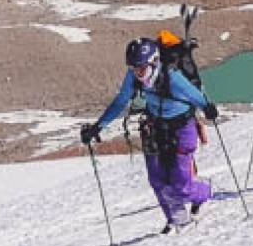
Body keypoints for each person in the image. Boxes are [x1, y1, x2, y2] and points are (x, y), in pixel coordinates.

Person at [80, 36, 218, 231]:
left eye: (140, 68)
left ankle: (204, 192)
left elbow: (196, 96)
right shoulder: (134, 78)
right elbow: (120, 102)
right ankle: (177, 220)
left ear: (154, 62)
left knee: (181, 187)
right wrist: (97, 127)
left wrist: (207, 107)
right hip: (154, 126)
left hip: (181, 127)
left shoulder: (173, 78)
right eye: (133, 69)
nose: (137, 73)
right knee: (157, 180)